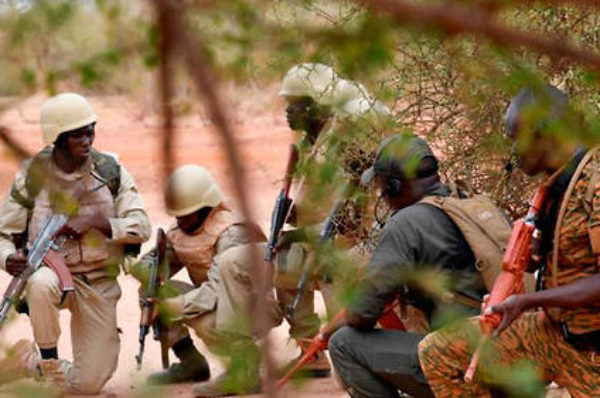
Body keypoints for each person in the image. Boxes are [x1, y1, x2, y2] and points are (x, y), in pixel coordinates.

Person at [418, 86, 600, 398]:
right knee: (439, 351)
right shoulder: (559, 180)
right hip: (554, 333)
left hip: (592, 351)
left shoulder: (595, 182)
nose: (513, 151)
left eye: (516, 137)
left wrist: (529, 302)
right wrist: (535, 256)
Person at [0, 92, 151, 394]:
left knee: (89, 383)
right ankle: (52, 367)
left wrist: (98, 223)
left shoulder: (110, 172)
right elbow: (3, 234)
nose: (87, 141)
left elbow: (142, 226)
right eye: (77, 135)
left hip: (98, 281)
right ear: (57, 139)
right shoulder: (32, 179)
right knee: (40, 283)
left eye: (90, 131)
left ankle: (29, 362)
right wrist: (7, 258)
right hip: (52, 275)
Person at [328, 133, 493, 398]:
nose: (381, 195)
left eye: (381, 187)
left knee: (343, 344)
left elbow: (362, 313)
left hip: (464, 363)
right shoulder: (473, 203)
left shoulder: (407, 222)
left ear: (394, 186)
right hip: (512, 354)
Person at [275, 63, 392, 377]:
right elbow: (314, 200)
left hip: (349, 246)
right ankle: (309, 352)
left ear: (315, 105)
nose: (288, 113)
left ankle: (355, 359)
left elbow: (352, 221)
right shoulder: (305, 147)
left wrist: (298, 236)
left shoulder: (344, 147)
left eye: (294, 105)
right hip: (319, 239)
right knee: (281, 264)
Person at [133, 165, 281, 397]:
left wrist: (174, 307)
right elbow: (157, 260)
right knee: (152, 291)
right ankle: (191, 363)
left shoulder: (230, 233)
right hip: (216, 299)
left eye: (185, 213)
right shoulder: (184, 226)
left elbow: (218, 290)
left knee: (204, 320)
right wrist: (145, 270)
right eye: (177, 215)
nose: (179, 219)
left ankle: (244, 371)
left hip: (248, 308)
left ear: (205, 207)